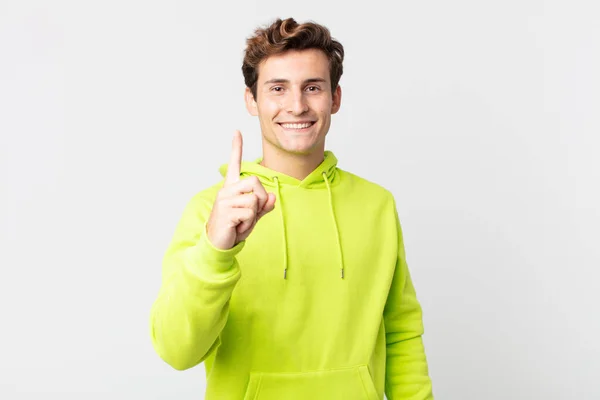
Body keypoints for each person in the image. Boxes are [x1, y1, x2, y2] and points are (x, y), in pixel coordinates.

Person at [149, 17, 434, 400]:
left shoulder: (377, 205)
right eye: (278, 89)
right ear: (252, 100)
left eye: (312, 87)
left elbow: (401, 333)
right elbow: (176, 350)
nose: (296, 106)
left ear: (335, 97)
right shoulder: (212, 210)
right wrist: (216, 250)